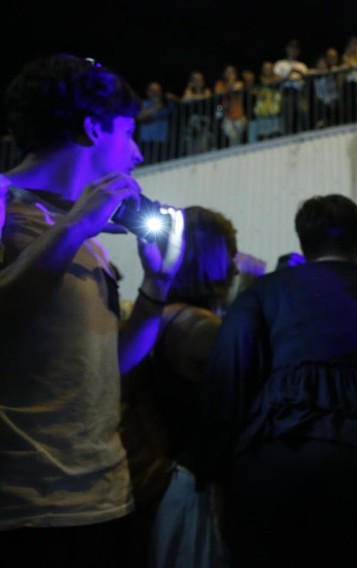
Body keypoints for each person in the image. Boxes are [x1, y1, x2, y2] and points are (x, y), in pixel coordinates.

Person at [196, 194, 357, 567]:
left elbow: (226, 382)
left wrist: (214, 471)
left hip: (286, 457)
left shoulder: (264, 293)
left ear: (304, 244)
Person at [0, 54, 183, 567]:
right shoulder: (7, 204)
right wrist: (74, 227)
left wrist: (156, 288)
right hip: (29, 515)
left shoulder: (89, 236)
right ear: (91, 128)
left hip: (107, 500)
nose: (138, 155)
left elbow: (115, 365)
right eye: (129, 134)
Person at [120, 206, 237, 567]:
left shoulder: (160, 316)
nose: (234, 267)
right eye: (230, 254)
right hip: (198, 489)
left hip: (166, 483)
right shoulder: (201, 328)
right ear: (212, 257)